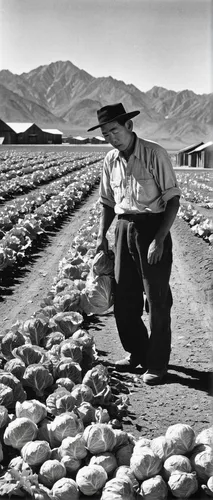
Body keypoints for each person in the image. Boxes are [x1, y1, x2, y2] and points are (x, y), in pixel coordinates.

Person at [87, 103, 181, 385]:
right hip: (123, 227)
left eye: (114, 131)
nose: (110, 138)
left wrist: (160, 240)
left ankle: (158, 364)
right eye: (105, 134)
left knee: (156, 299)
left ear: (129, 126)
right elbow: (106, 201)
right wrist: (101, 236)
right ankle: (137, 352)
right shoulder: (110, 160)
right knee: (124, 299)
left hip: (152, 228)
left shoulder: (154, 153)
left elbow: (173, 200)